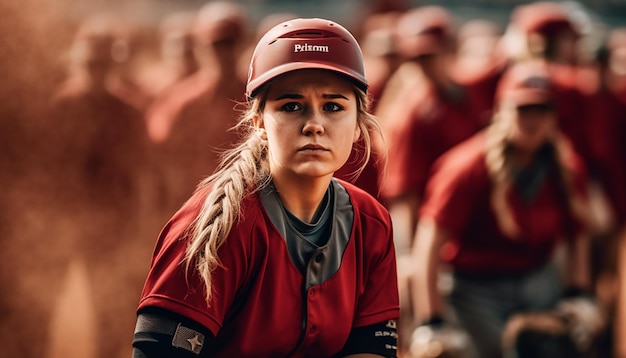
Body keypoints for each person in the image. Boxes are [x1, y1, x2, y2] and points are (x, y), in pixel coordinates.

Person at [132, 18, 400, 358]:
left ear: (359, 124)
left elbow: (371, 350)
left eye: (334, 106)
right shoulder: (216, 225)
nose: (314, 124)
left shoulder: (371, 222)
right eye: (291, 106)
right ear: (258, 121)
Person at [407, 60, 601, 358]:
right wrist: (432, 320)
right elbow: (429, 245)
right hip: (475, 289)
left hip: (539, 280)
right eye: (522, 108)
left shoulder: (565, 165)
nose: (533, 119)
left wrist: (579, 293)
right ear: (500, 112)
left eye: (542, 109)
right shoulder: (466, 166)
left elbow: (579, 232)